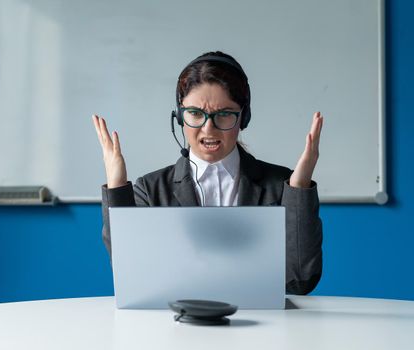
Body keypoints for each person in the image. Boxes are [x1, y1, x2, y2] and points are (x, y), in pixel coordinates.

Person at [92, 51, 323, 295]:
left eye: (223, 114)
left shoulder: (279, 185)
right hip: (176, 328)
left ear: (243, 117)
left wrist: (299, 189)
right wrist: (117, 185)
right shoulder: (151, 190)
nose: (208, 128)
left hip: (260, 327)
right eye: (195, 114)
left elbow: (300, 283)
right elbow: (133, 274)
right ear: (179, 116)